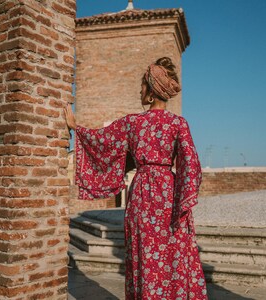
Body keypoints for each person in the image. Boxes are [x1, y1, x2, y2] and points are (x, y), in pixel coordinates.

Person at [64, 57, 208, 300]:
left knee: (144, 254)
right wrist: (183, 201)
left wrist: (76, 127)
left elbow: (102, 142)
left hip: (141, 193)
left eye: (143, 86)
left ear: (151, 91)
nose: (140, 90)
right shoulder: (178, 123)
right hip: (170, 195)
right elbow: (191, 166)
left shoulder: (133, 123)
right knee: (173, 254)